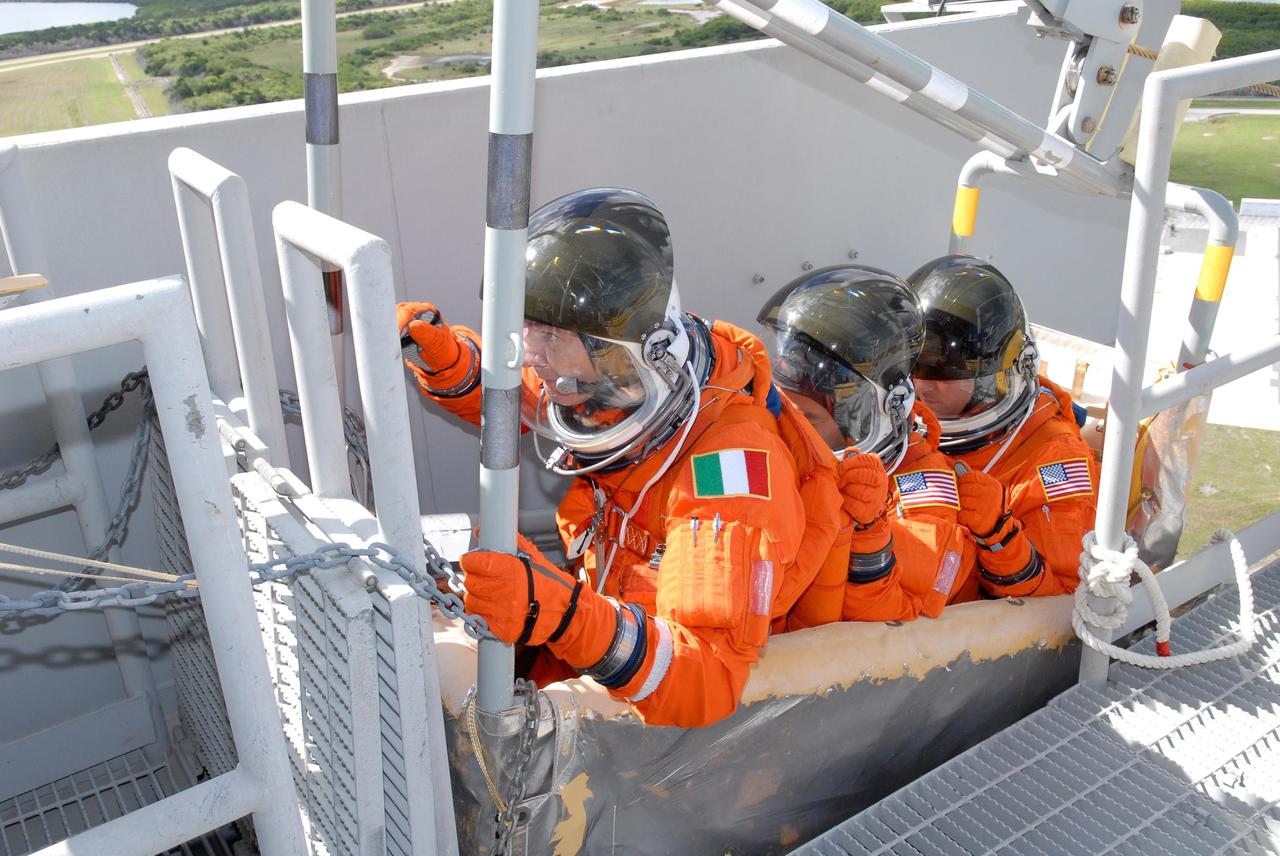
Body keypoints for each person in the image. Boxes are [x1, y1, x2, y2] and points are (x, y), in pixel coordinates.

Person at [397, 188, 841, 727]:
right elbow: (537, 399)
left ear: (630, 352)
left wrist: (558, 614)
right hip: (597, 652)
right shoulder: (620, 382)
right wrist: (449, 362)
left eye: (552, 335)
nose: (532, 354)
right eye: (528, 329)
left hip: (657, 734)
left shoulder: (731, 470)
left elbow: (704, 679)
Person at [757, 264, 982, 625]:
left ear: (867, 415)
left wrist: (869, 530)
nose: (791, 432)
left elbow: (891, 621)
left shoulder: (924, 487)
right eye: (785, 413)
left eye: (810, 421)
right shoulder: (779, 452)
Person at [906, 254, 1096, 597]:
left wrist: (998, 536)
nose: (922, 387)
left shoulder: (1053, 461)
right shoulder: (895, 428)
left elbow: (1062, 604)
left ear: (996, 378)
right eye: (912, 369)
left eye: (944, 372)